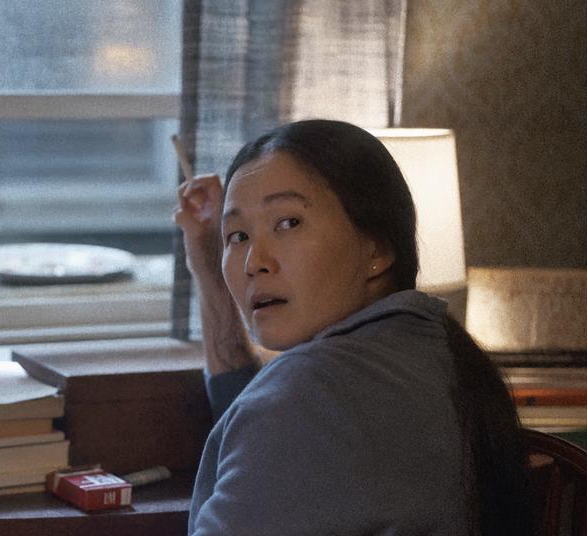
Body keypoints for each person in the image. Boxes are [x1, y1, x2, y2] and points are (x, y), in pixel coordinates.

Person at [174, 119, 531, 535]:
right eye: (237, 237)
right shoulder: (429, 351)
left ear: (376, 248)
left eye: (288, 223)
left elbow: (288, 418)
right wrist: (207, 268)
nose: (254, 261)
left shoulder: (311, 394)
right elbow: (270, 428)